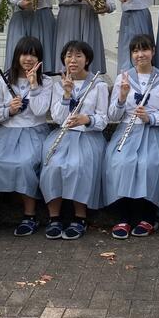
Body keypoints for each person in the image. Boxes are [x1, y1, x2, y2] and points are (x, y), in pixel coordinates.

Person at [0, 37, 52, 241]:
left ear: (39, 58)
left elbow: (41, 111)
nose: (28, 59)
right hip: (6, 132)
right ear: (17, 55)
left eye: (33, 55)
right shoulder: (1, 81)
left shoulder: (46, 82)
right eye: (24, 54)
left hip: (34, 131)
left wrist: (34, 85)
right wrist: (9, 110)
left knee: (26, 164)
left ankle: (30, 216)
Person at [104, 34, 159, 239]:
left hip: (153, 132)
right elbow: (112, 115)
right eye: (135, 51)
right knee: (120, 162)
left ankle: (148, 217)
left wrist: (150, 117)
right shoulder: (123, 78)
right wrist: (122, 97)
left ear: (153, 51)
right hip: (127, 130)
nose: (140, 54)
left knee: (149, 163)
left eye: (144, 49)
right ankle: (123, 217)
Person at [40, 41, 109, 240]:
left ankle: (80, 217)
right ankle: (54, 217)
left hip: (88, 136)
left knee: (79, 166)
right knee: (53, 166)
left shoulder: (99, 85)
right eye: (69, 56)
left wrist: (87, 119)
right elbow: (58, 118)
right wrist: (67, 94)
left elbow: (103, 119)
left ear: (87, 60)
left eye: (78, 56)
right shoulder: (58, 84)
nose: (73, 60)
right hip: (63, 136)